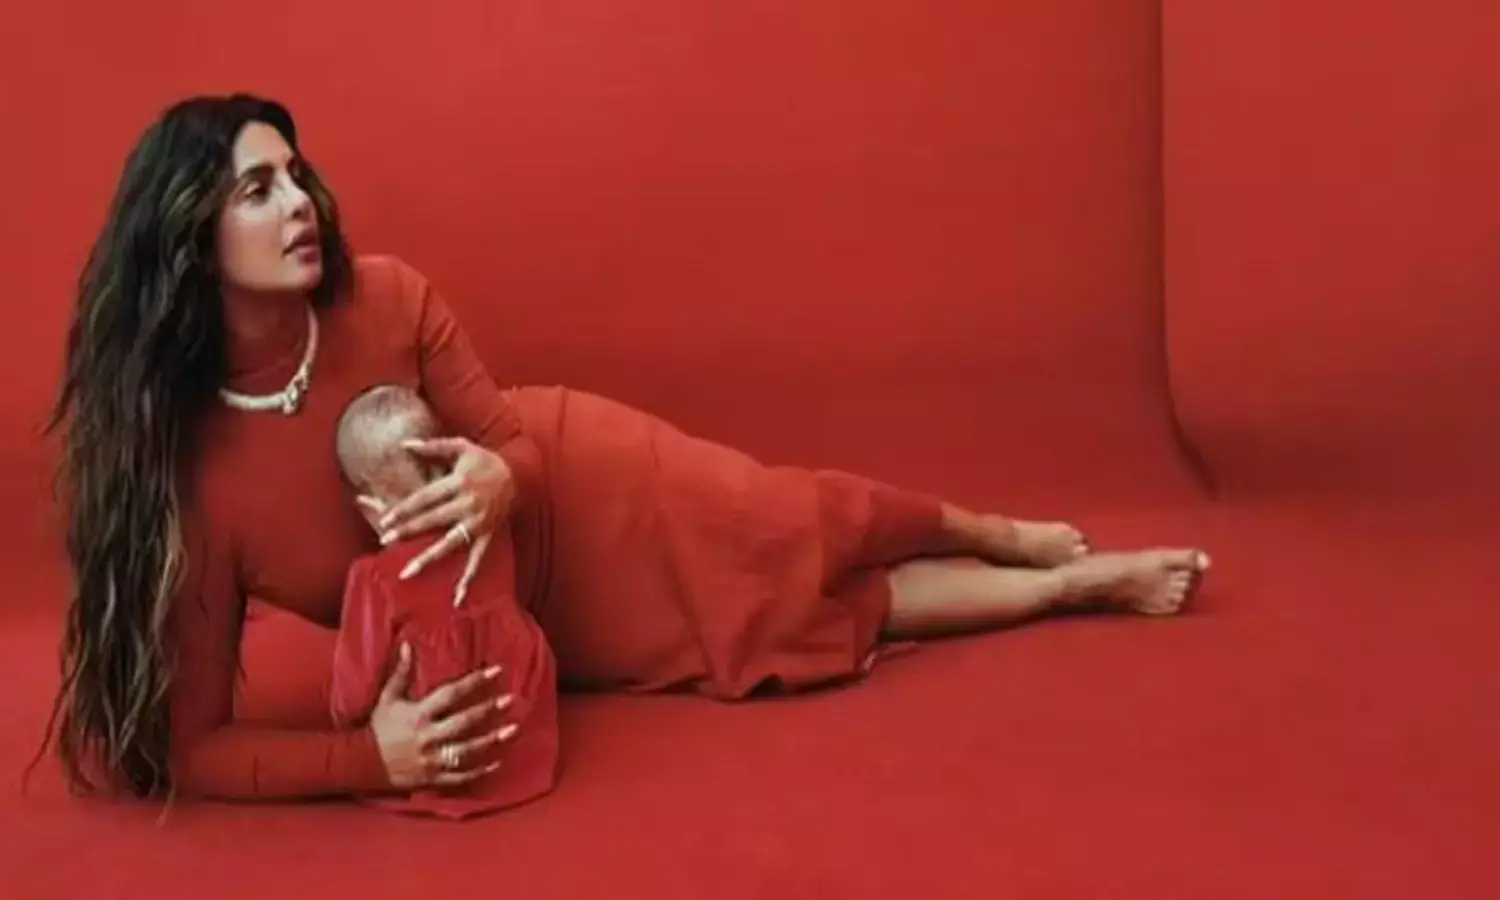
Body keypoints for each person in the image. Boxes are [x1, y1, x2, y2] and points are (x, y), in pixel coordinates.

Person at [34, 94, 1210, 804]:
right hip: (538, 621)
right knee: (785, 632)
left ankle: (1000, 533)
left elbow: (508, 439)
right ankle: (1067, 590)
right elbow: (192, 750)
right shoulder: (201, 487)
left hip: (584, 484)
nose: (300, 202)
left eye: (298, 174)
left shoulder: (384, 297)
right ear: (187, 237)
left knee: (794, 521)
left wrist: (497, 473)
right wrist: (373, 763)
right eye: (258, 188)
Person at [327, 383, 560, 818]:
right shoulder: (492, 530)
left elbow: (353, 693)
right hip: (519, 749)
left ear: (371, 510)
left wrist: (348, 723)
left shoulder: (375, 579)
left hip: (434, 755)